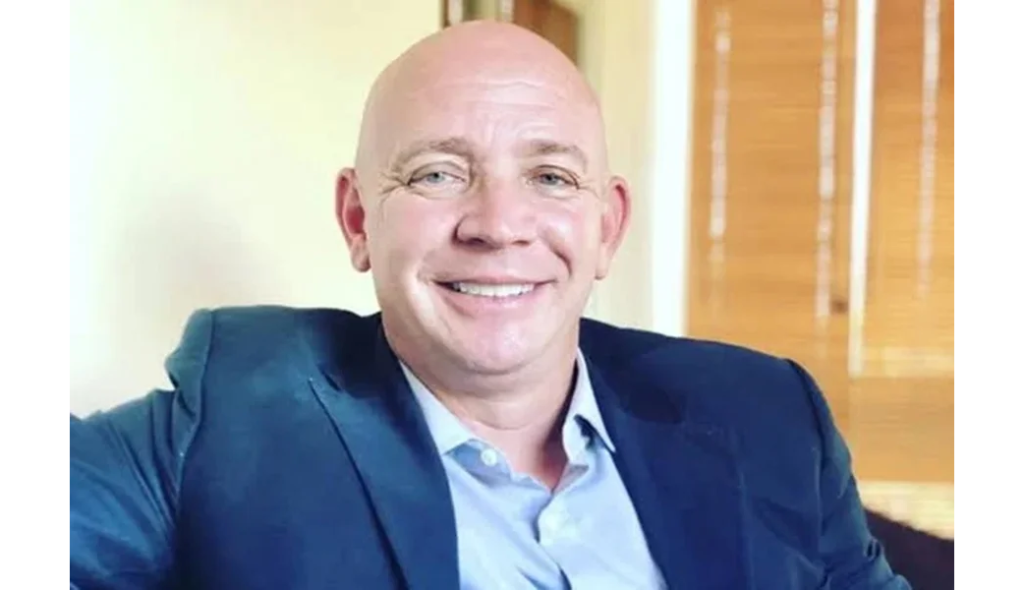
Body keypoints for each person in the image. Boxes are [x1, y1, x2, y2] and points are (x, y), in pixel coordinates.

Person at [70, 21, 909, 590]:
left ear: (608, 226)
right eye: (438, 173)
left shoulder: (767, 416)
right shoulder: (234, 415)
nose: (499, 225)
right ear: (359, 221)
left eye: (550, 176)